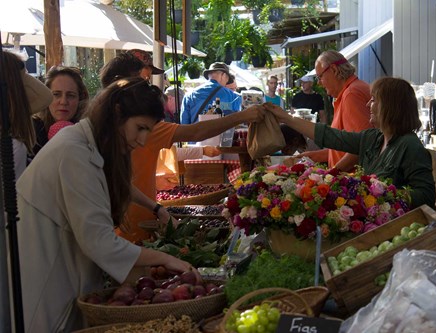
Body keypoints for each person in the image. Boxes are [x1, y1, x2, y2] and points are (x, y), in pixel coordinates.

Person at [16, 77, 201, 333]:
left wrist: (157, 209)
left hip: (64, 269)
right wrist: (164, 259)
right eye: (141, 128)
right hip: (48, 276)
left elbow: (116, 184)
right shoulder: (74, 151)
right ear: (116, 114)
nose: (143, 140)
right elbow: (99, 241)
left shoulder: (88, 144)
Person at [99, 55, 264, 242]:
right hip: (128, 231)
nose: (147, 88)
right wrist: (241, 116)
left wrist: (157, 208)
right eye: (142, 81)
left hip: (130, 225)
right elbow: (195, 132)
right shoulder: (135, 129)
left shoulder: (101, 125)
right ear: (120, 85)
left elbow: (123, 184)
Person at [264, 77, 436, 210]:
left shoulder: (410, 145)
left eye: (374, 100)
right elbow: (332, 136)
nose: (368, 104)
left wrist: (383, 192)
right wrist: (286, 118)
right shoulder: (373, 137)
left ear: (391, 106)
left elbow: (427, 196)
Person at [296, 50, 373, 172]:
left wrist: (331, 175)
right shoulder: (351, 90)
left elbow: (362, 146)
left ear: (334, 70)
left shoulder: (352, 94)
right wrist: (318, 155)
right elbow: (349, 146)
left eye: (320, 77)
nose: (320, 83)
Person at [1, 50, 53, 180]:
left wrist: (16, 69)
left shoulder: (12, 145)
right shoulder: (13, 146)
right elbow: (45, 96)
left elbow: (46, 97)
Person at [31, 66, 89, 157]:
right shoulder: (32, 131)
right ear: (46, 96)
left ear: (80, 99)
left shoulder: (89, 132)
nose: (63, 102)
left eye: (71, 95)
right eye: (56, 95)